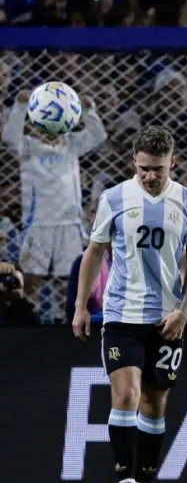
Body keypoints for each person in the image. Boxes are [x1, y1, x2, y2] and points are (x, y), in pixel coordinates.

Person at [72, 126, 187, 483]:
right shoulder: (114, 199)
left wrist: (184, 311)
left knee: (155, 403)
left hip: (167, 319)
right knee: (126, 394)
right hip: (121, 315)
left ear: (172, 163)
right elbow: (93, 253)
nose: (150, 176)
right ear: (134, 161)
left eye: (158, 169)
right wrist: (82, 305)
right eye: (145, 168)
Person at [2, 87, 106, 313]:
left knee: (71, 278)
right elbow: (9, 138)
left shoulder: (71, 144)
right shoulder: (28, 145)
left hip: (69, 223)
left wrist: (89, 111)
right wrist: (19, 107)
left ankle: (67, 319)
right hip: (38, 224)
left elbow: (98, 136)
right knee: (32, 279)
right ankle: (33, 319)